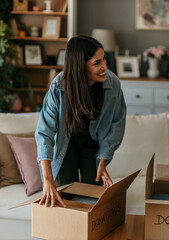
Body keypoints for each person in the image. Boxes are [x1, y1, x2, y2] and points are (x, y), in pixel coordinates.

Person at [35, 35, 126, 208]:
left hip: (92, 144)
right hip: (66, 143)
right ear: (79, 66)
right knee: (63, 196)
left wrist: (103, 159)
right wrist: (47, 179)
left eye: (104, 60)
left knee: (93, 197)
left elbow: (116, 125)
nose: (105, 67)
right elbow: (44, 133)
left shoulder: (112, 84)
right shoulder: (58, 86)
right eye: (97, 63)